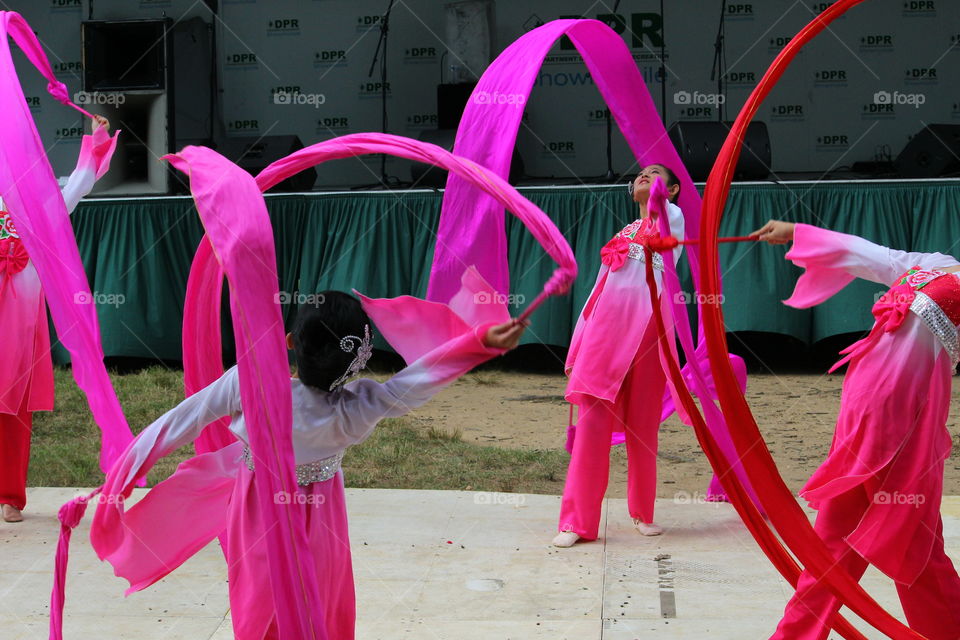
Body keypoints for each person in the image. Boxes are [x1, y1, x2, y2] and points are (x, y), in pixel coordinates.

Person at [90, 291, 526, 639]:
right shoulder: (356, 409)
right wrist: (477, 344)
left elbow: (175, 425)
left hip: (256, 504)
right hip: (323, 513)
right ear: (358, 359)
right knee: (319, 592)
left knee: (258, 594)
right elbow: (413, 385)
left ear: (291, 342)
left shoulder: (249, 383)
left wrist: (119, 481)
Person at [753, 220, 960, 640]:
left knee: (908, 542)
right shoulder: (937, 264)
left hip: (904, 419)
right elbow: (872, 256)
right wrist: (796, 230)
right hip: (861, 409)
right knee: (838, 541)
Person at [553, 164, 685, 547]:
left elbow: (664, 213)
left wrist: (660, 199)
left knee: (642, 428)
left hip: (647, 332)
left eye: (655, 174)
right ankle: (577, 522)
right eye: (640, 173)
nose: (643, 176)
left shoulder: (671, 221)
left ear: (673, 190)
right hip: (606, 334)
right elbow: (598, 288)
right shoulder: (623, 232)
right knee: (592, 425)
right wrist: (581, 338)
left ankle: (643, 511)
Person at [0, 114, 113, 523]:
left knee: (12, 409)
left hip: (18, 328)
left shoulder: (41, 205)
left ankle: (10, 494)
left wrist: (96, 139)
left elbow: (81, 182)